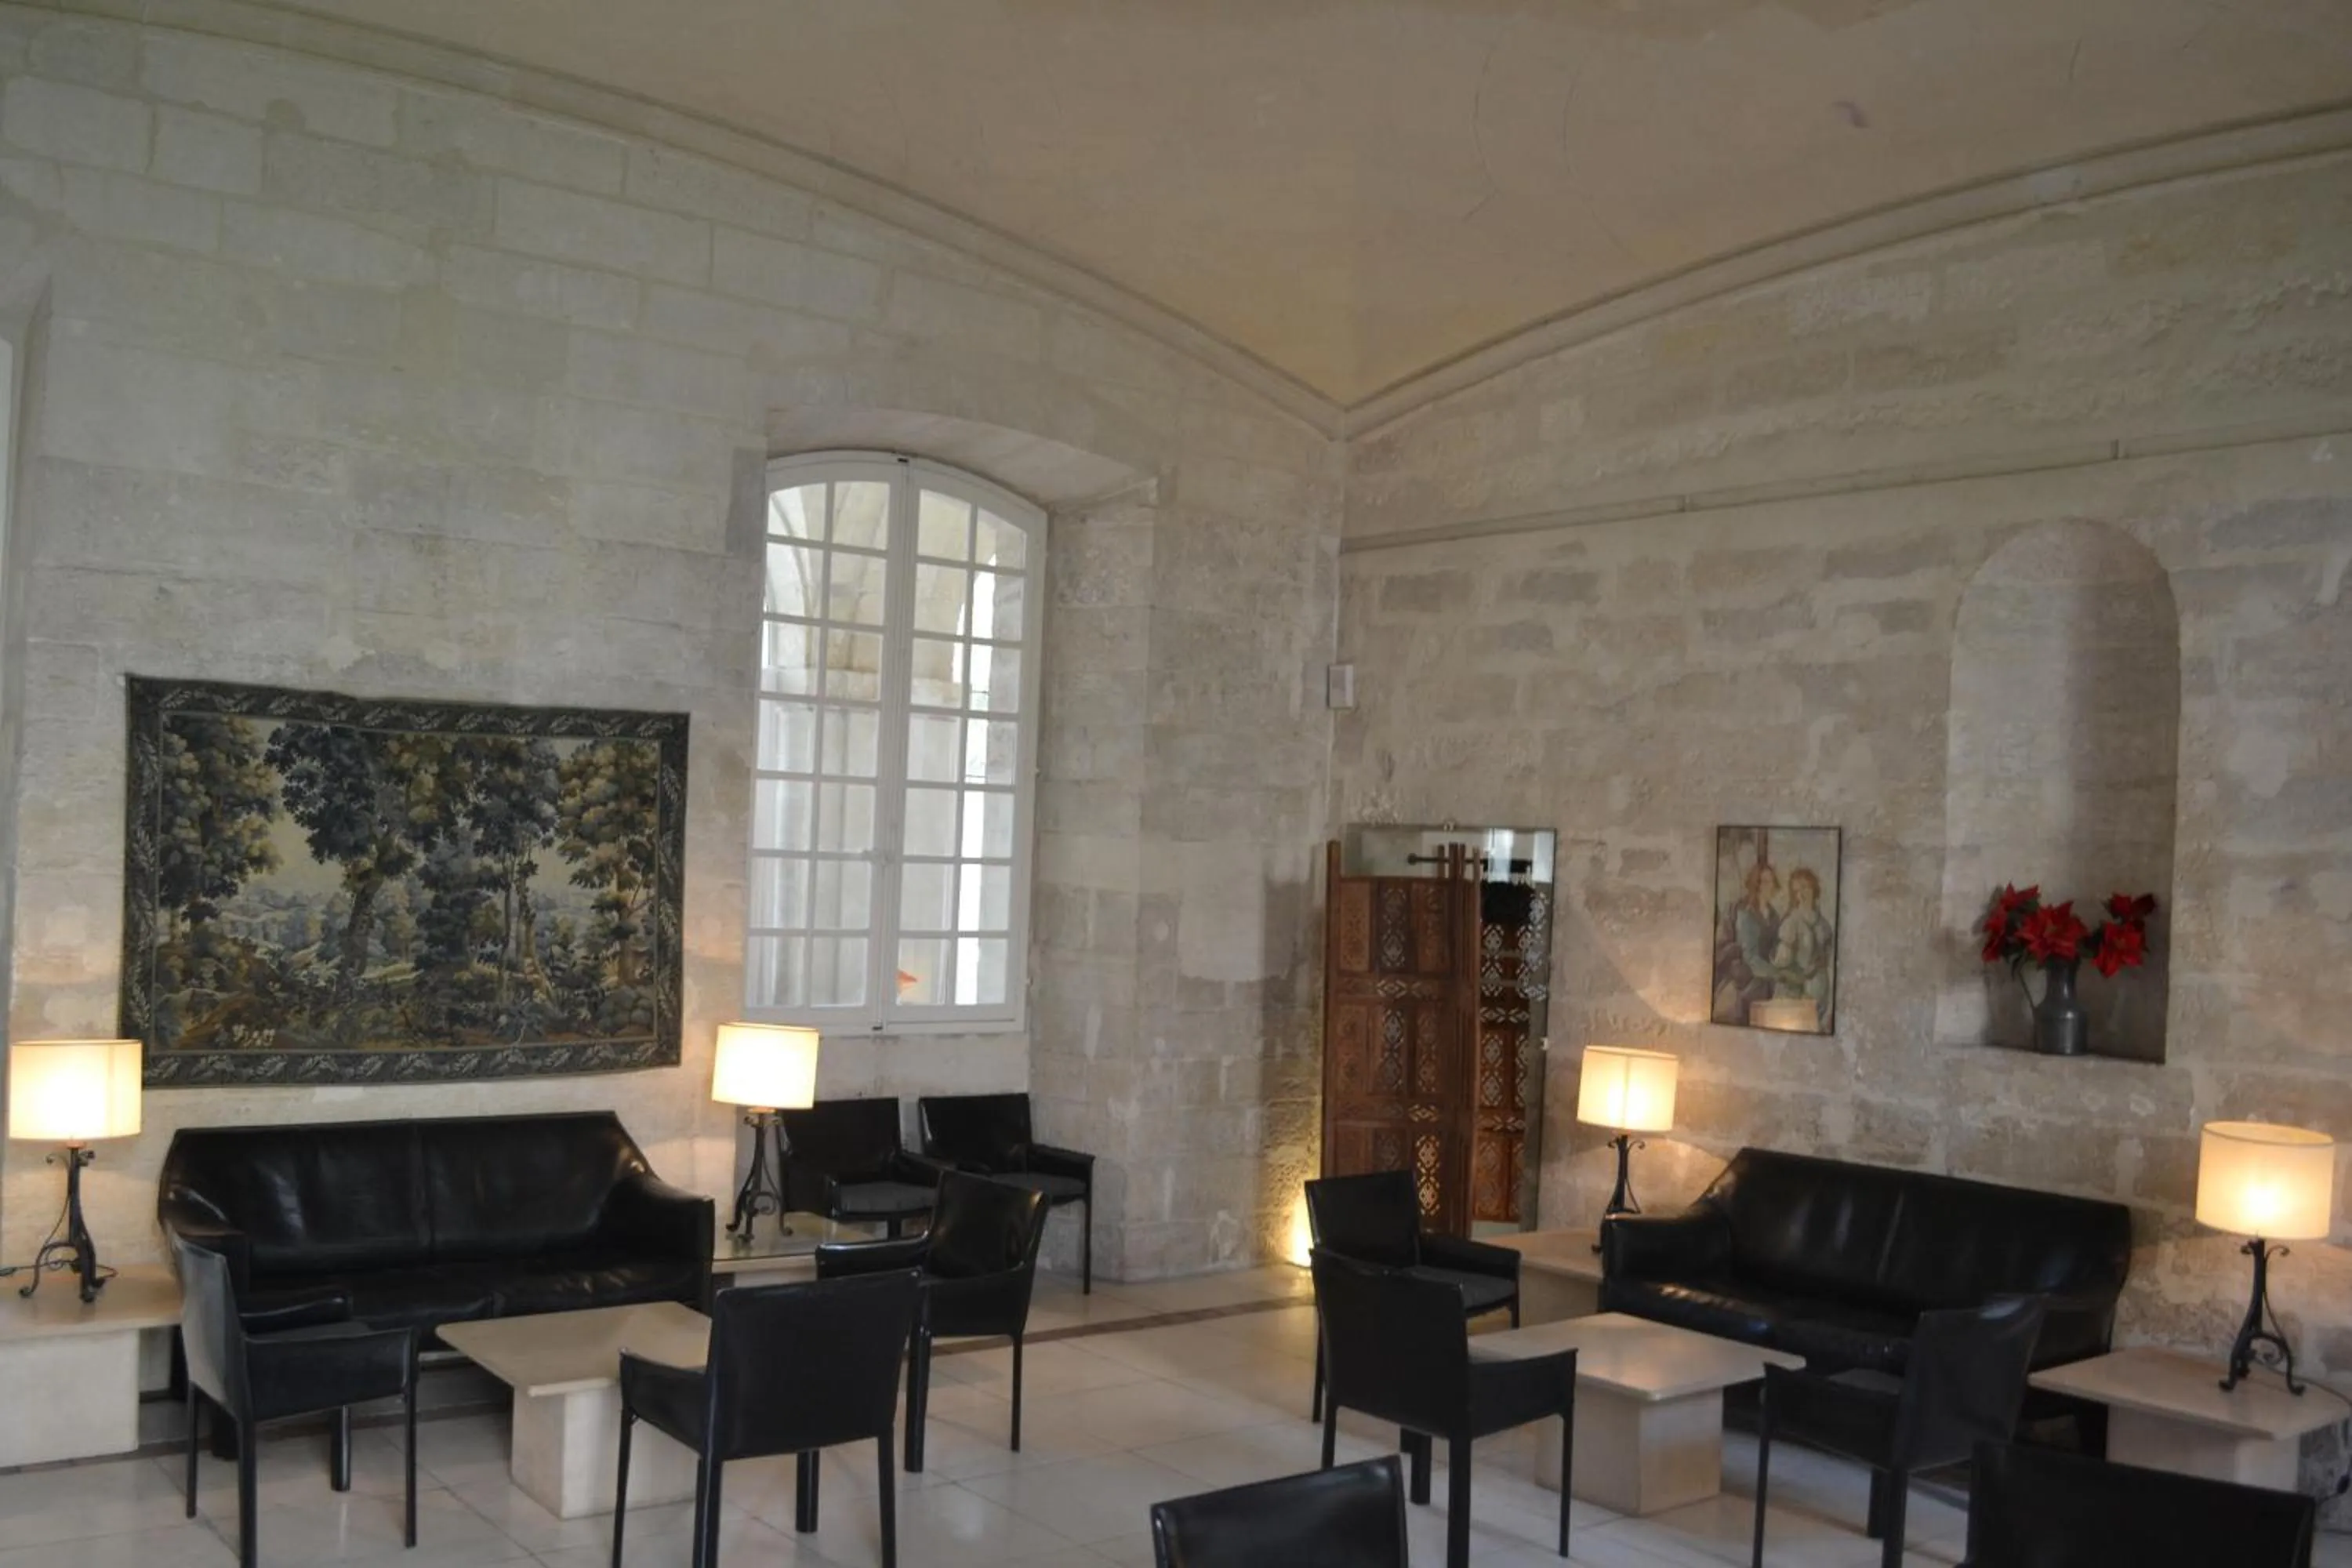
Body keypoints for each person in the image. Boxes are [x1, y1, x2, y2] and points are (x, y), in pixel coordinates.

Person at [1713, 858, 1782, 1022]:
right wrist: (1778, 973)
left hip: (1764, 982)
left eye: (1771, 881)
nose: (1769, 886)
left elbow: (1775, 950)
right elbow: (1750, 956)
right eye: (1764, 882)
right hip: (1744, 983)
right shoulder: (1745, 913)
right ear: (1756, 885)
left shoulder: (1774, 916)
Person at [1773, 866, 1833, 1018]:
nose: (1802, 894)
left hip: (1820, 995)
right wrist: (1800, 978)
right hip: (1794, 997)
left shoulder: (1824, 925)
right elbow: (1781, 967)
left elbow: (1828, 959)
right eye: (1797, 891)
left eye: (1805, 887)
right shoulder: (1791, 923)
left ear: (1814, 888)